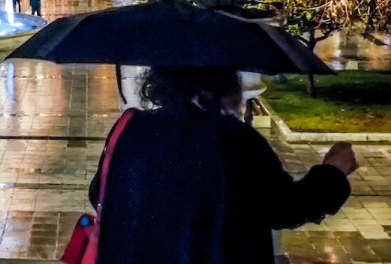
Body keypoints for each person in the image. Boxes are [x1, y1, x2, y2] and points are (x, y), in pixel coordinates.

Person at [89, 68, 357, 264]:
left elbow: (99, 194)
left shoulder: (130, 129)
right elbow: (284, 208)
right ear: (219, 85)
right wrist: (333, 172)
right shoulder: (234, 140)